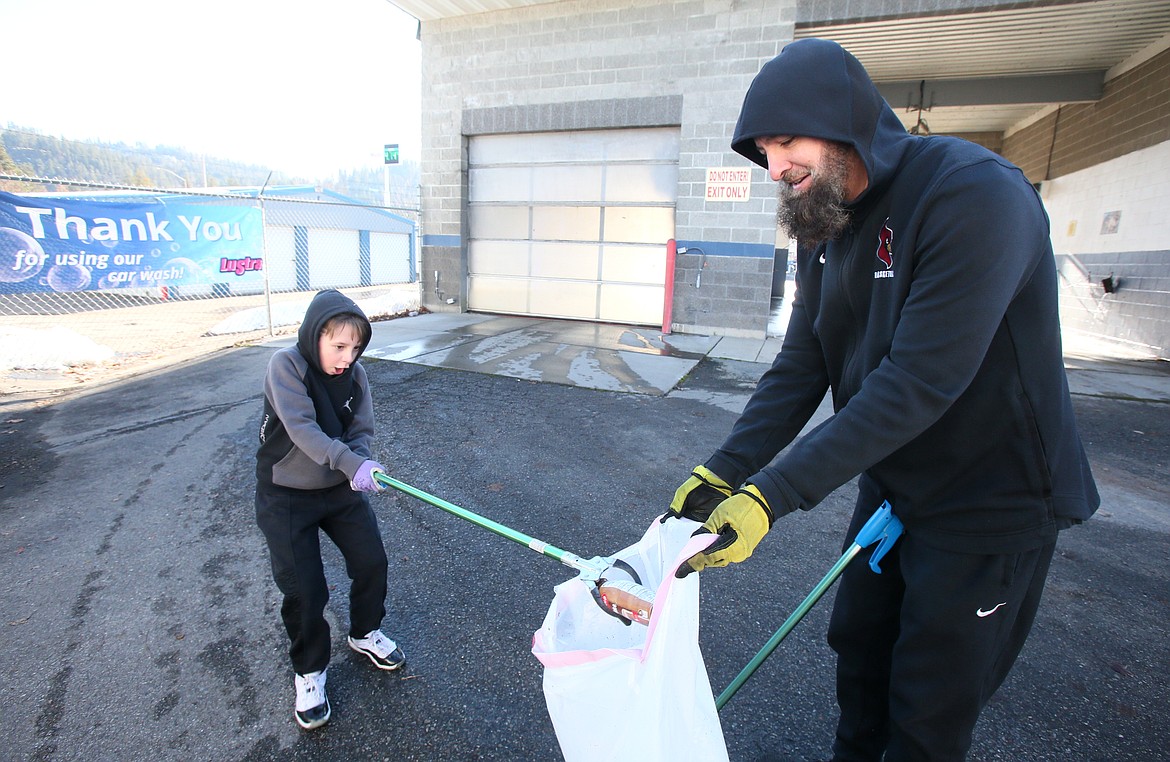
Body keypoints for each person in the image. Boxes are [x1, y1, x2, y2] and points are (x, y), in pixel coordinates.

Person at [666, 39, 1099, 761]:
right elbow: (803, 361)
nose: (775, 168)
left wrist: (772, 496)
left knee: (928, 705)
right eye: (763, 152)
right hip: (899, 481)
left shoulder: (973, 194)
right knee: (860, 653)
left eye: (785, 141)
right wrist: (725, 468)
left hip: (992, 498)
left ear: (842, 121)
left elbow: (921, 379)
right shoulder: (824, 217)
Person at [255, 288, 406, 730]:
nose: (347, 357)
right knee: (305, 589)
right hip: (286, 492)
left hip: (338, 488)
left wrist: (360, 463)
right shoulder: (286, 366)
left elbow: (360, 430)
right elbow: (301, 427)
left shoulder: (356, 376)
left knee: (370, 560)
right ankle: (309, 670)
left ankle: (364, 633)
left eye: (355, 348)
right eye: (338, 346)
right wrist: (349, 461)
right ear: (314, 335)